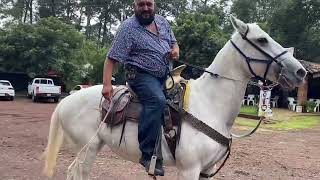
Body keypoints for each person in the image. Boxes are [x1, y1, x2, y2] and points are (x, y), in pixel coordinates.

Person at [101, 0, 179, 176]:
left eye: (149, 4)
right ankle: (148, 155)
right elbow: (111, 58)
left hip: (166, 75)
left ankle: (181, 145)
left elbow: (174, 43)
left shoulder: (162, 21)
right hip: (140, 76)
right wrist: (107, 84)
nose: (145, 8)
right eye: (141, 4)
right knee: (157, 101)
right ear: (134, 6)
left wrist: (175, 51)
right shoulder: (128, 28)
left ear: (154, 5)